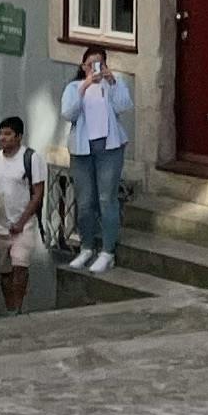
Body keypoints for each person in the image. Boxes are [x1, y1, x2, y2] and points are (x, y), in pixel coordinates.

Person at [57, 48, 133, 274]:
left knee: (106, 198)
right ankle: (86, 246)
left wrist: (112, 83)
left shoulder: (113, 84)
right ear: (83, 67)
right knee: (85, 200)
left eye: (99, 64)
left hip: (109, 148)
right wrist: (84, 86)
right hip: (82, 149)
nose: (95, 69)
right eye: (91, 65)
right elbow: (68, 113)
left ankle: (107, 251)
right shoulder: (73, 88)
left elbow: (124, 106)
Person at [0, 115, 45, 313]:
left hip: (23, 225)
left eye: (7, 134)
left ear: (18, 137)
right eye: (1, 134)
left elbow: (38, 192)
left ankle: (18, 308)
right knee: (5, 271)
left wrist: (22, 221)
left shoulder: (30, 159)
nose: (2, 138)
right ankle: (10, 308)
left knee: (20, 266)